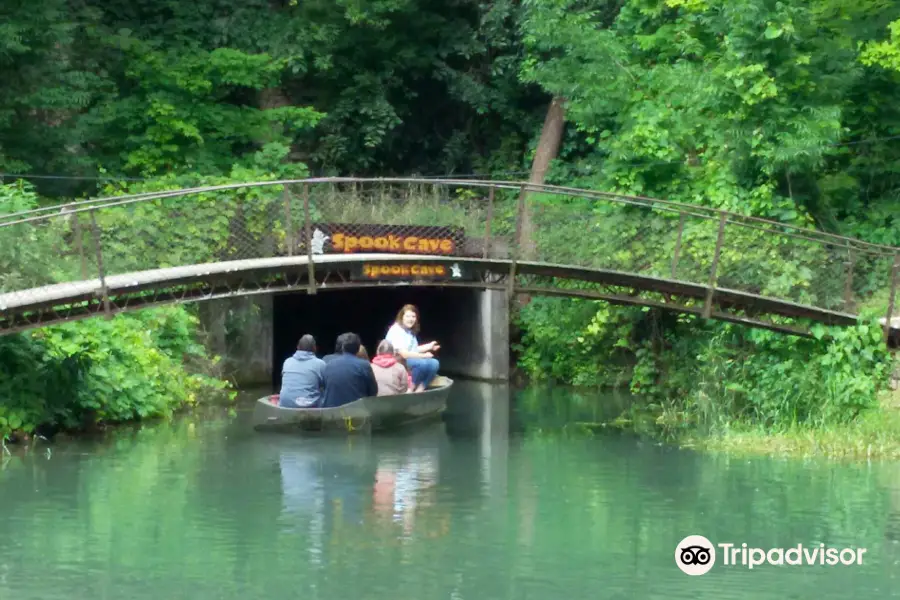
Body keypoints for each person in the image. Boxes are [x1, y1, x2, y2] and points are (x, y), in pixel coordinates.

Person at [385, 304, 440, 392]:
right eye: (408, 316)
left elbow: (414, 349)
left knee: (434, 363)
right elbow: (404, 354)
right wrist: (424, 356)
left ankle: (421, 388)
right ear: (402, 317)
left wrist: (429, 346)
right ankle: (411, 388)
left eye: (413, 316)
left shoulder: (410, 331)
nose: (411, 319)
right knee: (422, 364)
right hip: (397, 360)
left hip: (408, 359)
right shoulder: (396, 330)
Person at [320, 332, 378, 408]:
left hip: (332, 414)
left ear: (343, 348)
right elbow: (373, 392)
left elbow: (323, 388)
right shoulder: (364, 365)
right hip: (356, 413)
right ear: (358, 348)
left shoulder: (329, 365)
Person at [278, 334, 326, 408]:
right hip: (309, 405)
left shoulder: (287, 361)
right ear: (315, 348)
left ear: (297, 347)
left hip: (285, 404)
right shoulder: (320, 364)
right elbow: (326, 385)